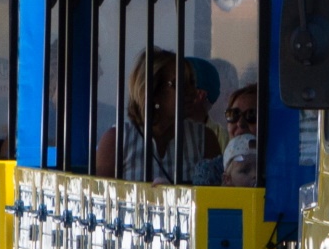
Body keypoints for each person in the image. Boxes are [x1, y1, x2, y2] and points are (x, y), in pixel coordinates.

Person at [92, 49, 221, 183]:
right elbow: (102, 198)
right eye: (180, 84)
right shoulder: (117, 141)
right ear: (154, 91)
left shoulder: (204, 140)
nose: (193, 92)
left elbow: (214, 198)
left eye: (192, 83)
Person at [219, 84, 260, 187]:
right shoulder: (210, 173)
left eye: (252, 115)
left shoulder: (281, 169)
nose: (240, 123)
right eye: (233, 114)